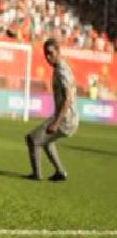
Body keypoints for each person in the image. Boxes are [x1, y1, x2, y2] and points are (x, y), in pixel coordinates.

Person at [24, 38, 79, 182]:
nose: (48, 57)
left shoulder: (62, 71)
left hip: (65, 119)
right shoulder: (60, 67)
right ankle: (60, 172)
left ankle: (36, 175)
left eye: (51, 53)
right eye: (46, 54)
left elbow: (67, 98)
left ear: (58, 52)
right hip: (67, 117)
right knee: (47, 140)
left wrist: (56, 122)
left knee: (32, 139)